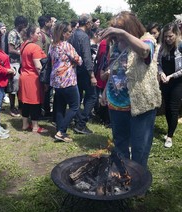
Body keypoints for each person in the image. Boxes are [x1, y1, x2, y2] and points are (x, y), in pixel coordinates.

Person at [100, 11, 161, 168]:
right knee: (120, 143)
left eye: (120, 32)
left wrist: (123, 34)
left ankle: (138, 182)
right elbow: (113, 69)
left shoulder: (147, 40)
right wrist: (106, 89)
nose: (117, 37)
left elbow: (144, 52)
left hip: (140, 104)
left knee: (139, 146)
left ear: (130, 29)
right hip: (116, 103)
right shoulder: (115, 45)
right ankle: (123, 177)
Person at [49, 21, 82, 142]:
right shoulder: (66, 46)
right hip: (68, 79)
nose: (71, 33)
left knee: (60, 107)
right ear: (63, 33)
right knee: (74, 106)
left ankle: (59, 129)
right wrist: (73, 61)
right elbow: (79, 60)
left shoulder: (52, 46)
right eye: (69, 31)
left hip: (56, 80)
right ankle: (61, 131)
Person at [68, 13, 97, 134]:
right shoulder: (84, 37)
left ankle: (77, 119)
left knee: (77, 98)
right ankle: (81, 123)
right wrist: (92, 75)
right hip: (84, 71)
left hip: (74, 70)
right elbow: (86, 56)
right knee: (92, 96)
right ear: (88, 23)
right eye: (91, 23)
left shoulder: (72, 34)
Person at [19, 25, 48, 133]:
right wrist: (44, 80)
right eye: (37, 33)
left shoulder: (24, 45)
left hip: (24, 76)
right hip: (32, 78)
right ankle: (35, 126)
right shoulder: (35, 47)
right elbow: (38, 66)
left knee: (25, 101)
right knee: (35, 102)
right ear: (31, 35)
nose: (40, 35)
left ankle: (25, 124)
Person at [157, 22, 182, 148]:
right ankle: (169, 129)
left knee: (173, 108)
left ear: (176, 34)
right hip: (165, 80)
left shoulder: (181, 47)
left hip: (177, 82)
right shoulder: (162, 47)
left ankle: (170, 136)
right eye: (166, 36)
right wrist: (161, 73)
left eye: (170, 36)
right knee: (166, 107)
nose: (167, 39)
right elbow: (158, 63)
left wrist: (171, 76)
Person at [7, 16, 28, 117]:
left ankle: (20, 106)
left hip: (20, 63)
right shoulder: (13, 34)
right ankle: (12, 107)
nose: (25, 27)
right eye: (24, 25)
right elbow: (10, 49)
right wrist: (21, 52)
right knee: (13, 86)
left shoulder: (20, 34)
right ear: (20, 24)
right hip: (13, 62)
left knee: (19, 85)